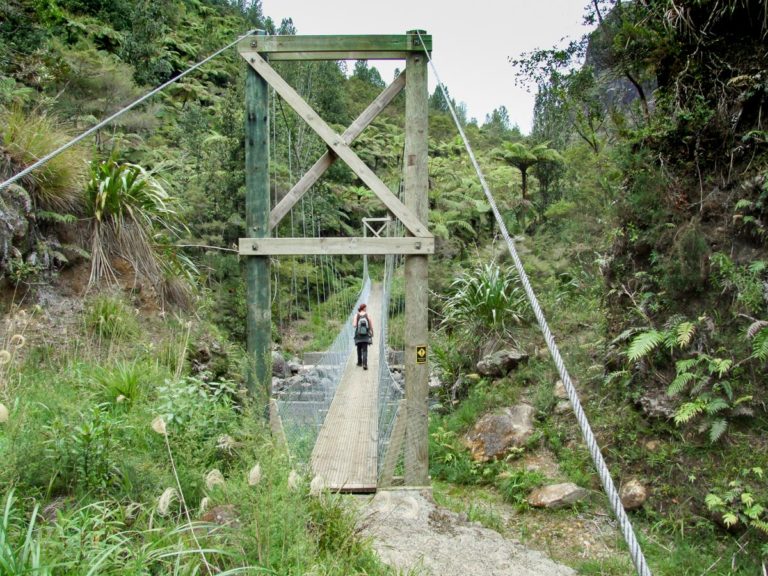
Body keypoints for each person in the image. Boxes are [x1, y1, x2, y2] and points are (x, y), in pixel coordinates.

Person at [353, 303, 373, 370]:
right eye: (365, 308)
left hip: (358, 335)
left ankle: (359, 362)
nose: (366, 309)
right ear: (363, 308)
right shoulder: (368, 315)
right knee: (365, 350)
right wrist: (372, 332)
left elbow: (354, 325)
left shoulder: (356, 315)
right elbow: (370, 326)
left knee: (358, 349)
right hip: (365, 335)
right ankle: (365, 364)